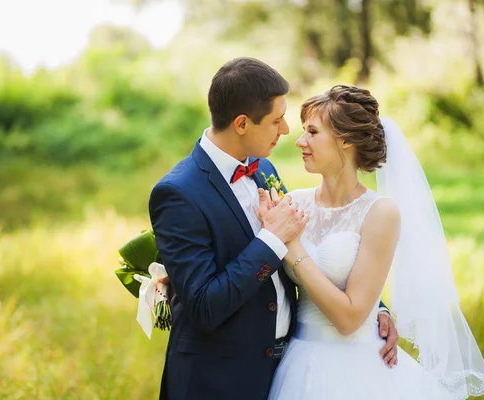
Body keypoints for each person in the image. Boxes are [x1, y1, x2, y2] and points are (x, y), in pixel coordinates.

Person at [148, 58, 398, 400]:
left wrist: (374, 309)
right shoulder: (178, 193)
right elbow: (204, 306)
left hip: (282, 371)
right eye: (276, 121)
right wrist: (271, 239)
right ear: (241, 124)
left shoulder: (262, 169)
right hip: (216, 380)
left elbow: (320, 253)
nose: (285, 132)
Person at [265, 85, 484, 399]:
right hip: (297, 362)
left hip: (359, 370)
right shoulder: (293, 204)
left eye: (312, 132)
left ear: (345, 140)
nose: (300, 141)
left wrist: (294, 252)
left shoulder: (380, 213)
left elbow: (349, 319)